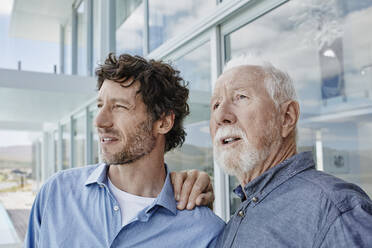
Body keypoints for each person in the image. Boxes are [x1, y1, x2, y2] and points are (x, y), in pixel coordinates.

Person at [24, 54, 225, 247]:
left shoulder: (204, 232)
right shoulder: (56, 193)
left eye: (119, 106)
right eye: (100, 106)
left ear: (163, 121)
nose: (99, 121)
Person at [173, 55, 372, 247]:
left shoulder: (335, 209)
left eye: (240, 97)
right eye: (215, 105)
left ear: (286, 117)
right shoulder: (246, 208)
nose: (220, 115)